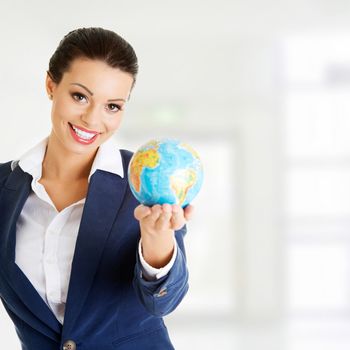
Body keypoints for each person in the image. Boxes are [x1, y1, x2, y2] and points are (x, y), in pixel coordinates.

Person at [0, 27, 193, 350]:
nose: (92, 119)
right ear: (51, 85)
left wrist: (158, 244)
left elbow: (163, 302)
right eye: (80, 96)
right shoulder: (4, 189)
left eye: (112, 106)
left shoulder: (145, 184)